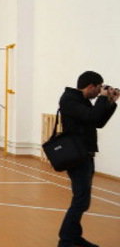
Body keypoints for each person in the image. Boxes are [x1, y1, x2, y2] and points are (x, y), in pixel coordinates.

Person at [57, 71, 118, 247]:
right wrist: (103, 99)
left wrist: (111, 102)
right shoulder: (69, 99)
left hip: (85, 154)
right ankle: (67, 240)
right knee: (81, 200)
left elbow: (97, 121)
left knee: (82, 200)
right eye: (99, 89)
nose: (99, 92)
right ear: (90, 86)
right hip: (77, 156)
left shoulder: (81, 100)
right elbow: (92, 116)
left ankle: (72, 236)